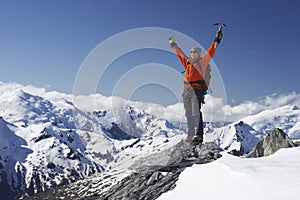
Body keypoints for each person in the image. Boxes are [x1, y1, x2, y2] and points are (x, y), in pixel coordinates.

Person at [169, 30, 223, 142]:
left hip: (196, 91)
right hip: (186, 91)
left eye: (195, 52)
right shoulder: (187, 62)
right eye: (191, 52)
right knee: (188, 113)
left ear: (198, 54)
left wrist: (217, 39)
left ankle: (199, 135)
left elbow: (211, 52)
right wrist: (173, 44)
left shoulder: (202, 62)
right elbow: (180, 54)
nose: (192, 54)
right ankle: (190, 134)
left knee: (195, 113)